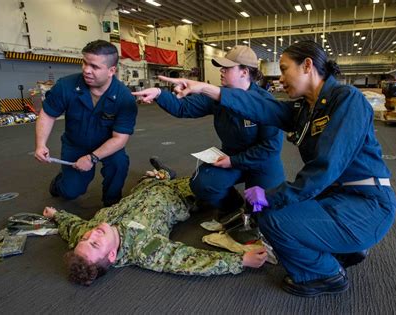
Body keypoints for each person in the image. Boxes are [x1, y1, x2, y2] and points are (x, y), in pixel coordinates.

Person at [153, 40, 396, 297]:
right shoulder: (307, 108)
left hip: (365, 205)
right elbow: (263, 107)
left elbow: (324, 170)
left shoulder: (347, 100)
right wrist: (205, 88)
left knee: (272, 218)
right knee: (272, 211)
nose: (280, 79)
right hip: (337, 197)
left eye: (284, 69)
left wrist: (270, 196)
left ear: (307, 65)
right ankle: (344, 247)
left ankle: (325, 274)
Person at [42, 162, 267, 286]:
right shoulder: (144, 248)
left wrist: (56, 215)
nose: (91, 235)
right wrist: (241, 261)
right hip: (181, 194)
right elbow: (188, 260)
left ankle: (162, 173)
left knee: (151, 177)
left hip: (144, 189)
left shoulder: (87, 233)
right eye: (94, 244)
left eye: (85, 239)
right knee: (212, 178)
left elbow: (72, 226)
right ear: (111, 256)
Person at [133, 45, 285, 219]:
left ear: (244, 72)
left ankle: (256, 207)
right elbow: (183, 107)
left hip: (262, 162)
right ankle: (231, 205)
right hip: (231, 157)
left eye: (227, 67)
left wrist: (234, 161)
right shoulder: (217, 97)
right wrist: (159, 93)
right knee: (202, 184)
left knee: (263, 213)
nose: (221, 70)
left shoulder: (265, 102)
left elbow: (270, 148)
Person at [35, 40, 137, 207]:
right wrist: (41, 145)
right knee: (71, 192)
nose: (86, 70)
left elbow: (120, 139)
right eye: (84, 63)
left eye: (94, 67)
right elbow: (47, 114)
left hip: (108, 145)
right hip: (76, 145)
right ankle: (60, 184)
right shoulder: (66, 86)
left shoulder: (124, 98)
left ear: (112, 70)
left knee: (119, 164)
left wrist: (92, 158)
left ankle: (111, 203)